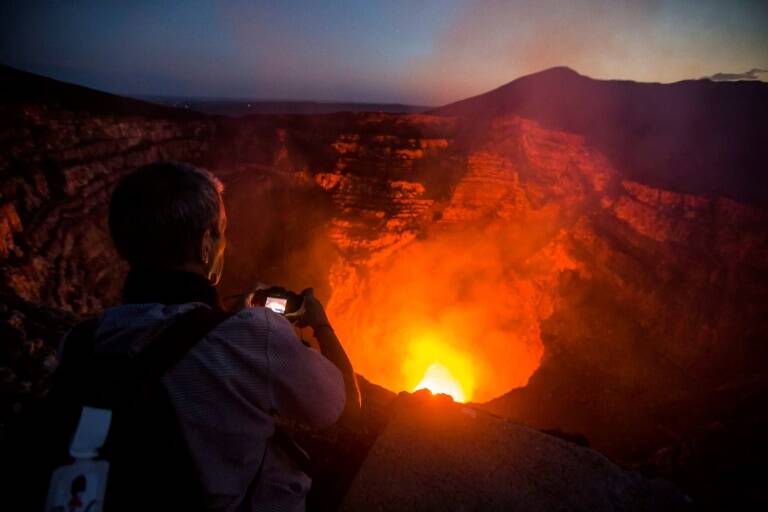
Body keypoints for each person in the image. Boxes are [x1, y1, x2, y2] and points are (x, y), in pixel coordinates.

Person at [66, 161, 360, 511]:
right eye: (222, 231)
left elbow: (171, 336)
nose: (225, 244)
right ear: (206, 242)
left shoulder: (81, 341)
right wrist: (321, 323)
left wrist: (218, 321)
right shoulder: (254, 335)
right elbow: (347, 409)